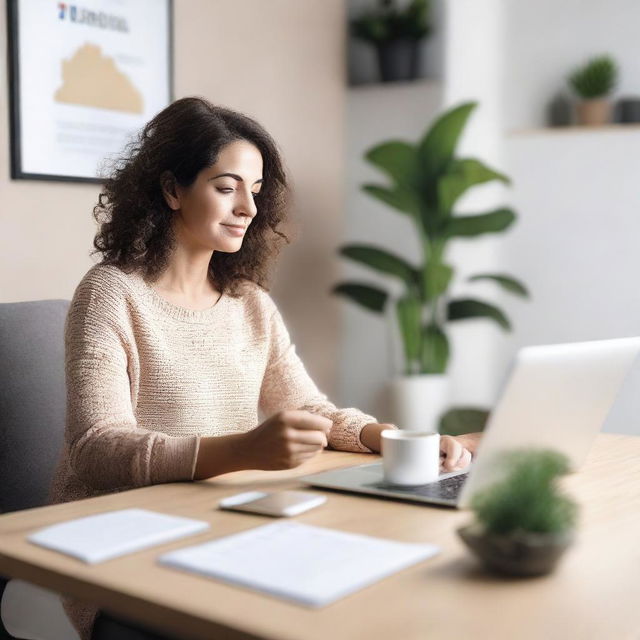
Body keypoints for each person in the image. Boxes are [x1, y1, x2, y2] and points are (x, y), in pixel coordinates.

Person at [49, 96, 480, 640]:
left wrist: (386, 437)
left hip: (218, 518)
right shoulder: (111, 294)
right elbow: (95, 447)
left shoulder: (248, 302)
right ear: (172, 190)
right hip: (115, 541)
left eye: (254, 192)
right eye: (227, 187)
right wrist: (244, 450)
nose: (248, 209)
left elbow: (308, 408)